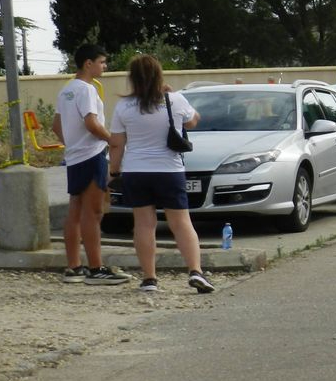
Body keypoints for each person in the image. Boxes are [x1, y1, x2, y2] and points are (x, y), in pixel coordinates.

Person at [108, 55, 215, 295]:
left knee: (144, 224)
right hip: (169, 170)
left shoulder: (124, 106)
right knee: (181, 222)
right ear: (159, 75)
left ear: (132, 78)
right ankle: (195, 271)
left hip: (136, 171)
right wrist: (172, 95)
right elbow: (193, 121)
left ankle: (149, 279)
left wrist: (114, 171)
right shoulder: (174, 99)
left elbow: (116, 144)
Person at [52, 44, 129, 286]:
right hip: (91, 155)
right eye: (102, 62)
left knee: (75, 210)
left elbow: (56, 126)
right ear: (88, 63)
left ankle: (74, 266)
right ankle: (96, 268)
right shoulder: (87, 89)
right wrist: (113, 140)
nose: (105, 66)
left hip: (75, 156)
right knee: (93, 212)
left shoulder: (66, 90)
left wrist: (72, 144)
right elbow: (92, 123)